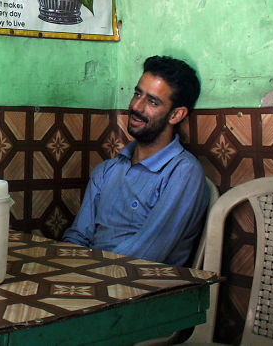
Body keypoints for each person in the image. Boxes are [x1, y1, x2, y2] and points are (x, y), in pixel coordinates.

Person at [62, 55, 209, 266]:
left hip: (143, 288)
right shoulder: (107, 171)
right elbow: (78, 236)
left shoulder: (183, 172)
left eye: (152, 101)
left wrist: (90, 273)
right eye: (137, 94)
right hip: (93, 280)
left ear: (176, 115)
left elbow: (147, 255)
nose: (137, 107)